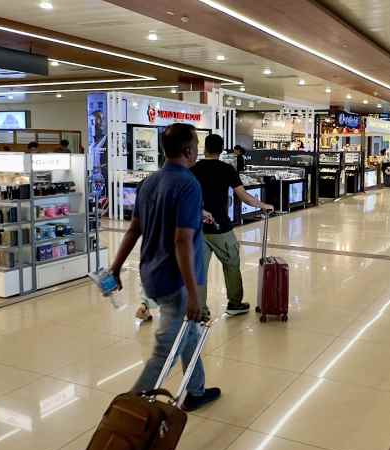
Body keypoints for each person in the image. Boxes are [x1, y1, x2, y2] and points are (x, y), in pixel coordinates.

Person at [107, 123, 219, 411]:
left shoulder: (149, 182)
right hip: (176, 281)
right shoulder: (188, 184)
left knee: (189, 331)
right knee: (165, 350)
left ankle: (195, 390)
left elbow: (134, 230)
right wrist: (194, 295)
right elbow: (182, 241)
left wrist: (116, 267)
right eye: (196, 145)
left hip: (151, 273)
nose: (197, 150)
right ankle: (128, 409)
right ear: (187, 150)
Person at [192, 134, 274, 316]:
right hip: (221, 227)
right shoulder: (226, 169)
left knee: (199, 270)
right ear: (221, 150)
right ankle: (234, 303)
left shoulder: (194, 168)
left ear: (204, 148)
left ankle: (200, 310)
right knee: (232, 263)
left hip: (197, 227)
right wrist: (262, 205)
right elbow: (243, 195)